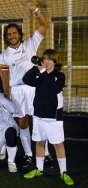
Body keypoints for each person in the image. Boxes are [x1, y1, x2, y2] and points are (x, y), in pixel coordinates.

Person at [0, 1, 49, 167]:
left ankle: (46, 154)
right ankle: (28, 154)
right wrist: (7, 96)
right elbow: (5, 78)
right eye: (9, 34)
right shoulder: (4, 56)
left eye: (14, 33)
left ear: (20, 34)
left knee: (40, 121)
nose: (12, 36)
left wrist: (35, 10)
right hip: (18, 91)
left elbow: (44, 25)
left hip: (35, 88)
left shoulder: (30, 44)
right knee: (23, 123)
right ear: (6, 37)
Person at [22, 49, 74, 186]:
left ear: (55, 62)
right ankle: (39, 169)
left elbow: (55, 89)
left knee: (57, 144)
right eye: (44, 59)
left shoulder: (59, 76)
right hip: (39, 115)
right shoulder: (40, 74)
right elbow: (26, 79)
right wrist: (36, 68)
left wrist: (43, 72)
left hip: (53, 117)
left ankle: (63, 172)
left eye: (49, 59)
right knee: (39, 142)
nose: (46, 62)